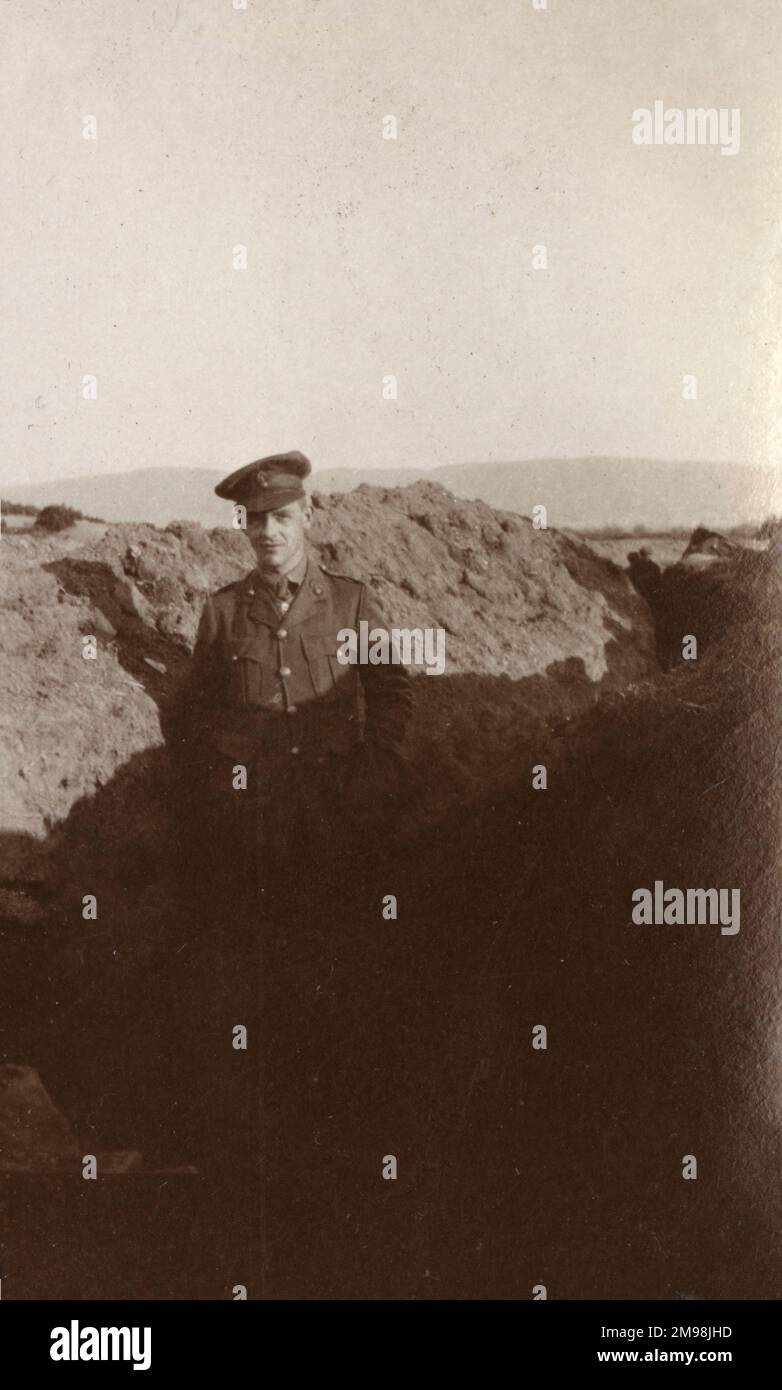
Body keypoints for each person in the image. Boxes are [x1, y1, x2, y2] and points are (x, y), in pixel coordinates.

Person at [167, 451, 414, 1284]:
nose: (267, 533)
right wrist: (220, 789)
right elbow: (189, 716)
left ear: (308, 516)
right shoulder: (221, 614)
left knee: (339, 987)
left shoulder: (350, 602)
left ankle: (346, 1147)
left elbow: (393, 694)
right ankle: (258, 1156)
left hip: (335, 839)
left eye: (280, 517)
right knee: (254, 995)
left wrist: (372, 780)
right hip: (251, 847)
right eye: (254, 521)